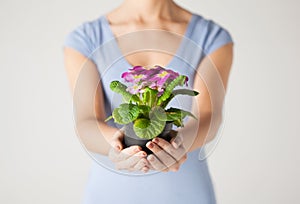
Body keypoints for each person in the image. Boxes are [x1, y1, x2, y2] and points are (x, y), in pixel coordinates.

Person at [63, 0, 234, 203]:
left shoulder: (211, 37)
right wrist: (118, 145)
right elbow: (86, 121)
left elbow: (209, 116)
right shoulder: (86, 39)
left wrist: (179, 143)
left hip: (186, 194)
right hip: (111, 194)